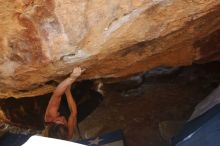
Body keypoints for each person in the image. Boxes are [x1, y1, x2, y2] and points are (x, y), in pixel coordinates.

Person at [43, 67, 83, 140]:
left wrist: (71, 78)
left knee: (67, 89)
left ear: (52, 123)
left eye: (59, 120)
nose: (62, 118)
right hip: (69, 113)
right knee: (91, 101)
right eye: (64, 122)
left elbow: (56, 95)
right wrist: (68, 91)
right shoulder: (68, 134)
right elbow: (73, 112)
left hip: (58, 107)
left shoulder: (50, 117)